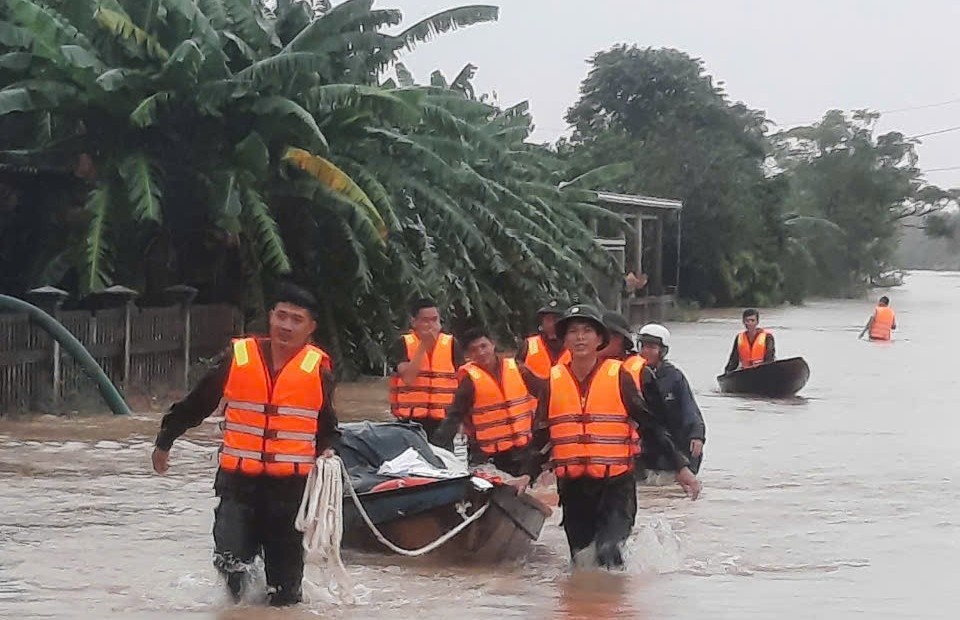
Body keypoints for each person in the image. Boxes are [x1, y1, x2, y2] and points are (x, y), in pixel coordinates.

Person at [150, 283, 338, 607]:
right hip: (238, 485)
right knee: (231, 564)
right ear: (270, 317)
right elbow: (199, 402)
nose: (286, 326)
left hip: (289, 491)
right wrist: (165, 440)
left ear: (310, 328)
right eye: (281, 316)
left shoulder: (318, 370)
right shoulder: (238, 357)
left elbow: (326, 425)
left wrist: (328, 450)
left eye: (296, 319)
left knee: (285, 593)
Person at [536, 303, 700, 569]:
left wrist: (681, 467)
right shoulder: (553, 381)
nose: (580, 338)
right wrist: (524, 474)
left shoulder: (620, 377)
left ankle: (617, 606)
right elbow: (540, 434)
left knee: (609, 552)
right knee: (582, 560)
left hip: (615, 485)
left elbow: (650, 425)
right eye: (573, 332)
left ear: (600, 339)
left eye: (587, 331)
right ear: (563, 339)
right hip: (573, 487)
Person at [433, 327, 545, 490]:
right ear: (468, 356)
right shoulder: (469, 381)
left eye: (483, 346)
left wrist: (542, 422)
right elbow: (454, 416)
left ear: (493, 344)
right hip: (488, 455)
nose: (481, 352)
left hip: (524, 450)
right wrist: (436, 447)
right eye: (474, 350)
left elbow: (544, 391)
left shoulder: (518, 369)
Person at [388, 298, 464, 443]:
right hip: (410, 421)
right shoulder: (403, 344)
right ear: (414, 322)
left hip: (444, 421)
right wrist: (423, 346)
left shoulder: (451, 344)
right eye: (425, 321)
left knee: (443, 460)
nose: (431, 325)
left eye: (435, 320)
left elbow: (463, 384)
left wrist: (463, 419)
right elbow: (408, 378)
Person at [637, 324, 707, 475]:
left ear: (662, 351)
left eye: (651, 347)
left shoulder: (674, 377)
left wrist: (697, 435)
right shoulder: (631, 375)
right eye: (643, 346)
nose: (645, 352)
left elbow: (689, 409)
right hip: (646, 448)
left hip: (674, 444)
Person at [517, 299, 570, 380]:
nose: (551, 324)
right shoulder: (528, 345)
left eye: (556, 319)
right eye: (548, 319)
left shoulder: (576, 347)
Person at [724, 308, 775, 373]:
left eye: (752, 320)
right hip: (745, 372)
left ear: (757, 322)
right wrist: (727, 372)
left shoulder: (767, 337)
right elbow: (734, 359)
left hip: (763, 371)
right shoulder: (739, 338)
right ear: (743, 322)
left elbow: (770, 357)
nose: (750, 323)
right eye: (747, 321)